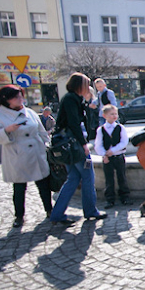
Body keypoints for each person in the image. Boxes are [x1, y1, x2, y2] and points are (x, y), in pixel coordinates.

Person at [0, 85, 53, 227]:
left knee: (43, 184)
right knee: (19, 187)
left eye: (20, 96)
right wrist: (7, 131)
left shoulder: (29, 112)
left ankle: (49, 210)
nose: (20, 99)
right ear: (6, 99)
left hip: (36, 154)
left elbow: (42, 132)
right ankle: (19, 216)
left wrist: (46, 145)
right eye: (16, 97)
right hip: (17, 156)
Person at [49, 73, 108, 224]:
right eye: (86, 84)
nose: (88, 88)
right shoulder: (71, 99)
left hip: (69, 146)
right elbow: (75, 124)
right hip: (74, 146)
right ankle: (90, 210)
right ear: (79, 85)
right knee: (88, 176)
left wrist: (87, 103)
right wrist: (83, 145)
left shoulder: (72, 99)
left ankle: (57, 213)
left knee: (73, 178)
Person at [94, 105, 131, 209]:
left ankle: (125, 197)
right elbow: (98, 145)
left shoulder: (120, 128)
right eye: (112, 114)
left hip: (118, 156)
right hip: (107, 158)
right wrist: (104, 154)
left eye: (115, 114)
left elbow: (124, 142)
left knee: (122, 177)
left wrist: (113, 150)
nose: (114, 116)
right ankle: (110, 199)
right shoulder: (101, 129)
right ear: (105, 116)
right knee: (109, 179)